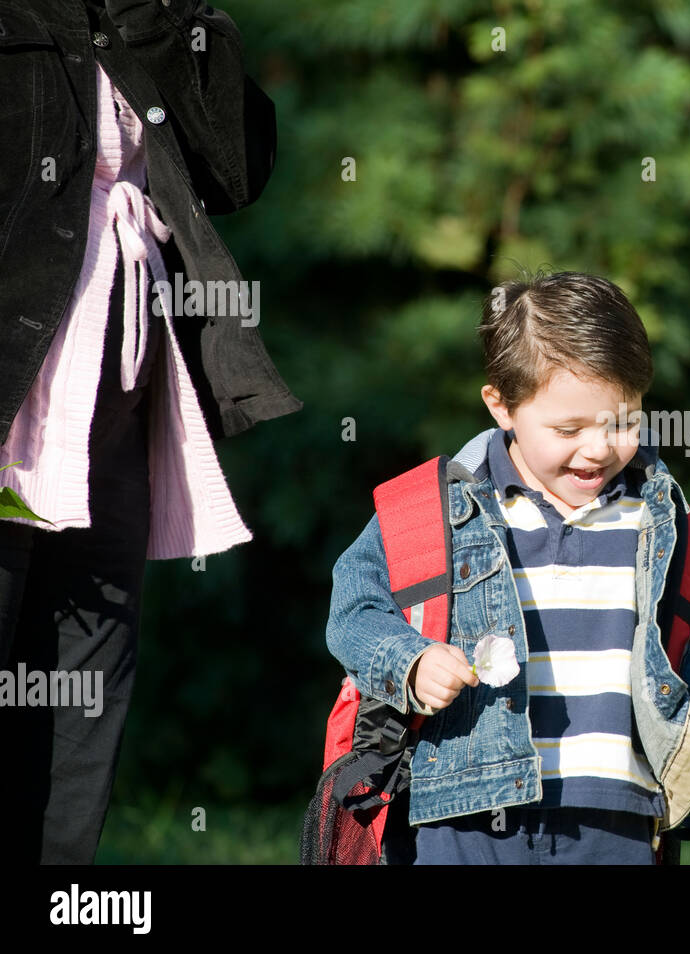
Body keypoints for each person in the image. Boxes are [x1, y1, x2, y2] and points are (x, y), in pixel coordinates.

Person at [0, 0, 301, 863]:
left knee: (83, 694)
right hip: (13, 401)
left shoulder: (147, 12)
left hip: (114, 403)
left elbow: (236, 168)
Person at [326, 271, 690, 864]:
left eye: (623, 422)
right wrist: (411, 661)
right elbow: (354, 606)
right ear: (501, 406)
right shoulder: (434, 512)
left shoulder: (662, 521)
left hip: (618, 810)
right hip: (466, 812)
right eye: (568, 429)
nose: (599, 449)